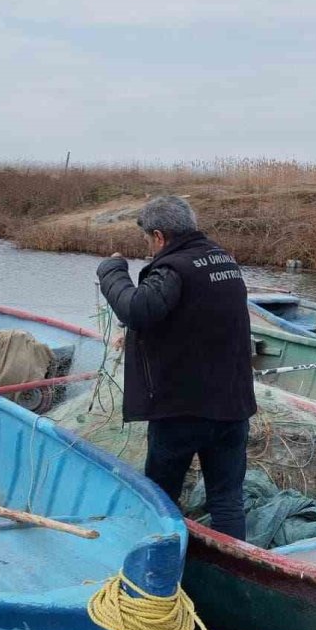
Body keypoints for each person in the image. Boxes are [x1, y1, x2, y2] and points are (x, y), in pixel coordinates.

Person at [96, 195, 256, 540]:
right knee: (227, 501)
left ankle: (160, 566)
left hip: (182, 411)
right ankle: (233, 572)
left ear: (159, 236)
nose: (150, 249)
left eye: (147, 241)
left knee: (161, 499)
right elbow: (193, 317)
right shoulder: (223, 260)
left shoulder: (174, 267)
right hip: (233, 407)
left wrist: (112, 271)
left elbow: (136, 309)